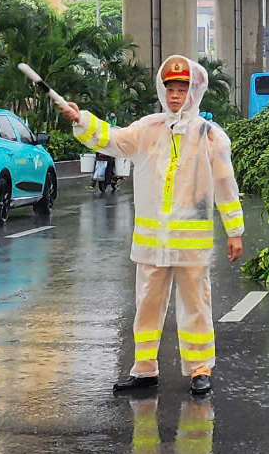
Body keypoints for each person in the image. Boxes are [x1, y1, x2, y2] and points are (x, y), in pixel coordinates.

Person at [59, 55, 244, 394]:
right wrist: (81, 119)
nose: (175, 96)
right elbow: (113, 140)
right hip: (151, 243)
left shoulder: (210, 136)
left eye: (182, 90)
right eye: (170, 89)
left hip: (191, 244)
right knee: (146, 305)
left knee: (196, 307)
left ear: (194, 92)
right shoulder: (147, 129)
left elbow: (225, 184)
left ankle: (200, 370)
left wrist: (235, 231)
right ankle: (144, 370)